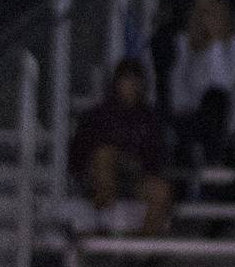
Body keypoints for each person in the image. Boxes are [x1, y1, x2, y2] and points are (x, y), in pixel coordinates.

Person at [68, 58, 174, 236]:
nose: (132, 85)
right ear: (116, 82)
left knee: (161, 191)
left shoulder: (149, 119)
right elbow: (79, 155)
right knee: (105, 156)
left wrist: (132, 163)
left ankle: (141, 252)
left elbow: (155, 161)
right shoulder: (97, 115)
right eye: (127, 79)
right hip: (98, 177)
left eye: (136, 80)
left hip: (134, 178)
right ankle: (101, 225)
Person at [167, 0, 235, 173]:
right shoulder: (184, 44)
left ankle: (215, 158)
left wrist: (216, 43)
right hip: (192, 115)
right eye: (204, 14)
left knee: (215, 99)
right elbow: (178, 86)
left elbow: (223, 84)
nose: (208, 20)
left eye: (213, 15)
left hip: (227, 119)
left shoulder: (232, 46)